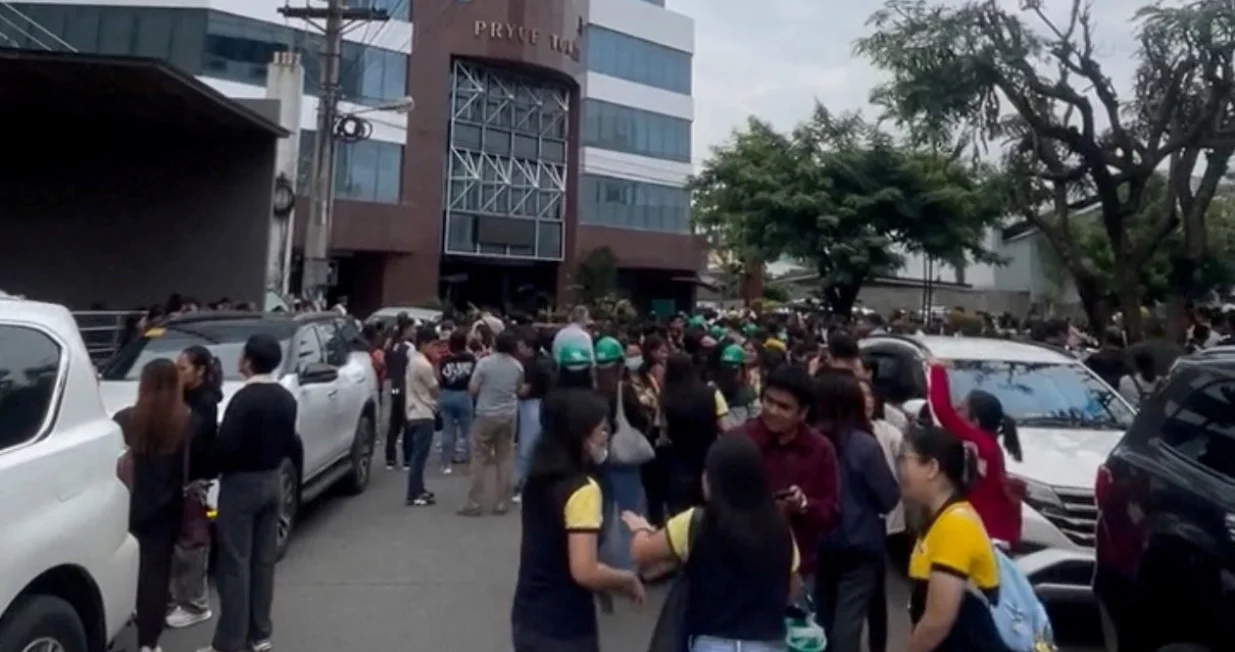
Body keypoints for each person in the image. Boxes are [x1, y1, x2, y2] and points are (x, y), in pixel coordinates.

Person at [624, 434, 799, 652]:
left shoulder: (695, 522)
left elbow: (641, 553)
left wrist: (641, 529)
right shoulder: (780, 527)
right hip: (768, 644)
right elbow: (791, 591)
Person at [510, 389, 644, 652]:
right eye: (603, 431)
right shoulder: (583, 490)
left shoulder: (537, 480)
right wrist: (626, 579)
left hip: (528, 615)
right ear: (580, 436)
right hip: (565, 623)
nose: (607, 438)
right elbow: (585, 570)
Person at [199, 334, 297, 652]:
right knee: (262, 561)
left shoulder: (243, 400)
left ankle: (230, 640)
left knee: (235, 564)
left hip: (241, 485)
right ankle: (260, 633)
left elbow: (226, 445)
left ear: (249, 361)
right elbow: (289, 441)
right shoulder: (286, 398)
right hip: (273, 479)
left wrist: (207, 471)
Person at [901, 424, 1010, 652]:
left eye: (905, 459)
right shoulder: (940, 519)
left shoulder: (955, 525)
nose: (900, 468)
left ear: (931, 468)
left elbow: (937, 622)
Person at [812, 373, 899, 652]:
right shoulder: (864, 445)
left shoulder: (811, 442)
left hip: (820, 539)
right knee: (849, 620)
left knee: (823, 614)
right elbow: (889, 497)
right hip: (860, 545)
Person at [732, 364, 839, 588]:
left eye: (784, 406)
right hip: (741, 564)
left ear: (803, 412)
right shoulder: (739, 441)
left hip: (797, 572)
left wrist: (803, 505)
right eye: (769, 401)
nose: (772, 410)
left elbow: (830, 513)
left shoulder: (820, 450)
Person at [115, 359, 193, 652]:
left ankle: (119, 618)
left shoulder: (124, 419)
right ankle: (149, 642)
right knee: (156, 576)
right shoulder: (185, 419)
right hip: (166, 507)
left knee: (123, 564)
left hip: (129, 504)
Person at [925, 359, 1022, 547]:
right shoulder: (991, 446)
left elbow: (942, 409)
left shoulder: (977, 442)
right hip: (994, 530)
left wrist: (937, 370)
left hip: (982, 531)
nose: (957, 410)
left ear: (975, 420)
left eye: (962, 407)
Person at [166, 346, 222, 629]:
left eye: (183, 368)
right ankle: (175, 599)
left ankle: (195, 604)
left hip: (195, 482)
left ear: (200, 371)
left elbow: (192, 435)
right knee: (176, 544)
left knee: (192, 544)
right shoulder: (181, 396)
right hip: (176, 480)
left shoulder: (205, 402)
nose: (178, 373)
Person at [460, 330, 523, 516]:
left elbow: (472, 389)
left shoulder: (485, 364)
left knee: (479, 457)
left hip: (486, 414)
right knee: (504, 457)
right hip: (508, 414)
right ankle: (502, 502)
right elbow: (519, 388)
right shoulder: (517, 366)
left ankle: (474, 503)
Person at [661, 352, 724, 513]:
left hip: (679, 465)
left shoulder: (666, 398)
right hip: (708, 461)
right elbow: (726, 427)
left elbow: (662, 432)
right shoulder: (711, 393)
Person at [513, 326, 554, 502]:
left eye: (521, 346)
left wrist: (513, 388)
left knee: (527, 447)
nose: (519, 349)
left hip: (531, 404)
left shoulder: (531, 366)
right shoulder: (548, 361)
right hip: (547, 402)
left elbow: (524, 390)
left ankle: (523, 484)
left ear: (530, 348)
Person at [405, 326, 441, 507]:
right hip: (424, 412)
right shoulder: (424, 365)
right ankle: (414, 493)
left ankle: (419, 488)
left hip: (413, 411)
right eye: (433, 345)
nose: (436, 349)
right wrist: (436, 366)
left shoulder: (413, 360)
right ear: (424, 344)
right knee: (419, 457)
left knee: (418, 455)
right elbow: (435, 391)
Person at [438, 329, 477, 472]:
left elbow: (439, 378)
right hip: (464, 394)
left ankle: (446, 464)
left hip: (447, 394)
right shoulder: (471, 359)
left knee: (447, 431)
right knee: (467, 432)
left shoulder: (444, 359)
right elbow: (475, 376)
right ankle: (472, 463)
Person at [384, 313, 413, 469]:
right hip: (405, 388)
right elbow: (412, 369)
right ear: (406, 329)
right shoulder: (409, 348)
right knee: (407, 424)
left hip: (393, 387)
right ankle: (407, 459)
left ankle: (390, 458)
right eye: (412, 328)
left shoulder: (390, 347)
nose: (414, 331)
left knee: (393, 424)